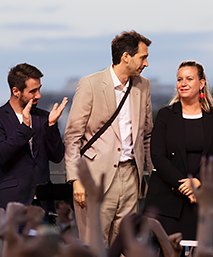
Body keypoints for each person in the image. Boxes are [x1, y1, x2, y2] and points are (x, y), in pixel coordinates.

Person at [63, 30, 154, 245]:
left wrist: (152, 175)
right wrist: (76, 180)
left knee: (125, 246)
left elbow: (147, 135)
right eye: (143, 57)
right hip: (95, 179)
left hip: (132, 176)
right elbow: (72, 137)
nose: (146, 63)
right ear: (126, 57)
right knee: (95, 248)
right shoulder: (90, 84)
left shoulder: (143, 85)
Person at [145, 61, 213, 240]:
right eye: (179, 79)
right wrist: (184, 186)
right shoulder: (165, 115)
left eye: (189, 78)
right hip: (170, 197)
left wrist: (199, 182)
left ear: (201, 83)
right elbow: (157, 155)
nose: (183, 83)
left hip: (208, 195)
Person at [0, 63, 68, 209]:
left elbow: (57, 157)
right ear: (16, 91)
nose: (38, 95)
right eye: (33, 91)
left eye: (39, 88)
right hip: (11, 204)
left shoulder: (44, 117)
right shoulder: (1, 118)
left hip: (43, 203)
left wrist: (51, 126)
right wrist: (24, 128)